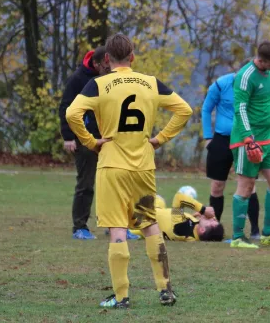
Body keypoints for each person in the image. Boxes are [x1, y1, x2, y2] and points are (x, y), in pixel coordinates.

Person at [66, 33, 194, 309]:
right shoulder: (150, 83)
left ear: (108, 59)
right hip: (143, 167)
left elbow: (71, 113)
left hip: (112, 166)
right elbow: (184, 110)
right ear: (132, 57)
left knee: (117, 229)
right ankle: (165, 289)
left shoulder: (97, 84)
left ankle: (122, 296)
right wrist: (159, 139)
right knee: (149, 224)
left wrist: (90, 142)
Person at [229, 41, 270, 249]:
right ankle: (238, 237)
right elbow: (240, 109)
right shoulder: (245, 76)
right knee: (246, 187)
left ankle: (269, 233)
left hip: (267, 140)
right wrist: (249, 139)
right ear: (263, 60)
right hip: (247, 142)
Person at [201, 62, 260, 239]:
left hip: (245, 140)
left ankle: (256, 230)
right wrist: (208, 137)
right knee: (217, 186)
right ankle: (215, 229)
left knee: (249, 185)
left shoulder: (256, 88)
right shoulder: (221, 84)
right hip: (221, 139)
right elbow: (206, 109)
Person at [58, 47, 109, 240]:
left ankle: (114, 225)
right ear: (96, 64)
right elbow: (66, 107)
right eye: (105, 66)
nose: (109, 69)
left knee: (113, 183)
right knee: (86, 184)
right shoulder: (78, 79)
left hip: (107, 138)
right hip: (84, 139)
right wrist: (68, 136)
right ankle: (80, 227)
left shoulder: (110, 78)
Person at [129, 192, 224, 242]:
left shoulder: (182, 229)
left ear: (202, 230)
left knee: (148, 196)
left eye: (211, 222)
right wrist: (198, 216)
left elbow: (178, 198)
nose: (212, 218)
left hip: (142, 215)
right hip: (157, 210)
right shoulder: (195, 230)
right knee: (160, 200)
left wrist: (202, 209)